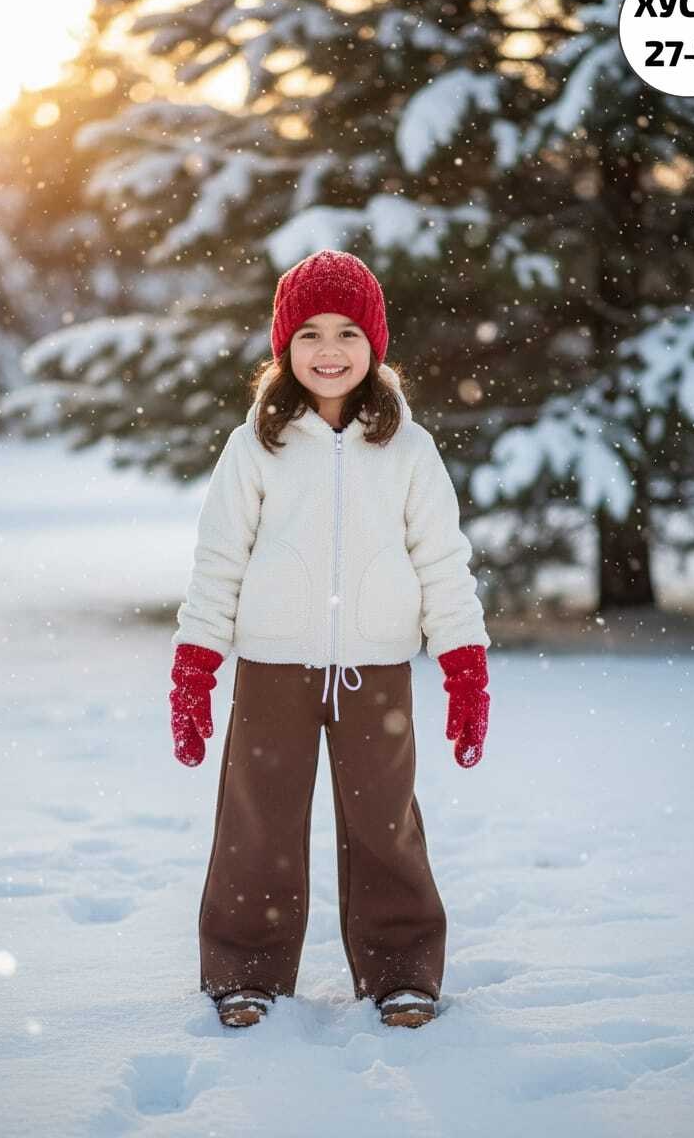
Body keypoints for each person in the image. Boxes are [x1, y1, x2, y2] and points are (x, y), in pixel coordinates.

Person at [168, 249, 491, 1029]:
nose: (329, 349)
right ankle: (245, 971)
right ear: (284, 349)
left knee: (386, 825)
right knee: (258, 824)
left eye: (348, 332)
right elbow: (218, 563)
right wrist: (195, 668)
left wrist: (464, 666)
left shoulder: (409, 450)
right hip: (274, 667)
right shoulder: (256, 447)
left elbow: (442, 561)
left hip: (376, 670)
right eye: (309, 333)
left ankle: (402, 972)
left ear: (375, 344)